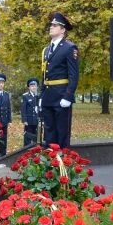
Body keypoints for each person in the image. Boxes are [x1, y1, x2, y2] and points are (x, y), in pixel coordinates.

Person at [40, 12, 79, 148]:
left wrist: (68, 96)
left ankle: (64, 164)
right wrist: (41, 95)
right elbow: (44, 74)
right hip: (48, 96)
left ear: (63, 30)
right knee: (49, 132)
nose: (51, 27)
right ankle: (51, 163)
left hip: (62, 95)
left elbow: (74, 75)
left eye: (55, 25)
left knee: (62, 132)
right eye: (51, 25)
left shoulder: (69, 48)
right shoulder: (46, 50)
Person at [21, 78, 40, 147]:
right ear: (29, 87)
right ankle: (26, 152)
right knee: (27, 138)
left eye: (35, 86)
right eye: (32, 86)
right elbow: (23, 109)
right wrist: (24, 120)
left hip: (37, 120)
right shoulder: (25, 96)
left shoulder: (39, 96)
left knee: (37, 138)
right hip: (28, 121)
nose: (33, 87)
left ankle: (36, 152)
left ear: (37, 86)